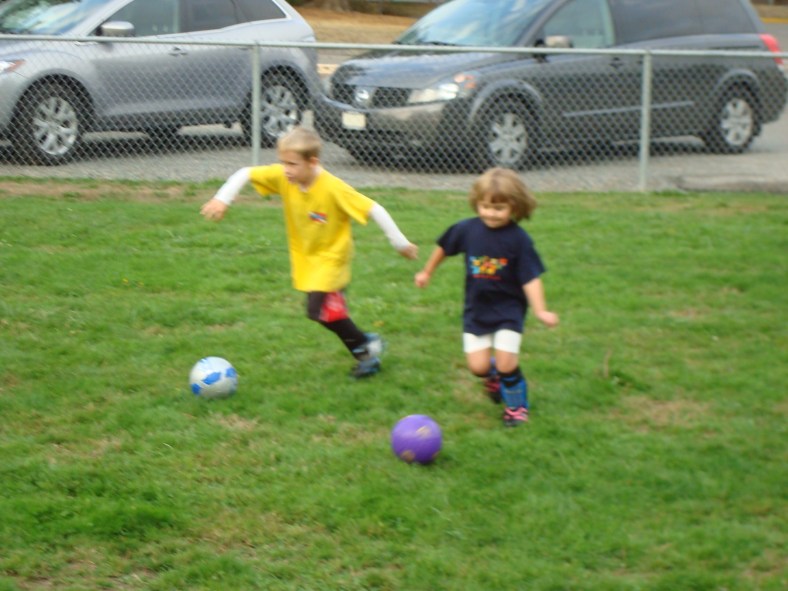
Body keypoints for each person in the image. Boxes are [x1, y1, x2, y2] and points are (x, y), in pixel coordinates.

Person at [201, 127, 418, 378]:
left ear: (312, 162)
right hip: (308, 258)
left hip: (332, 258)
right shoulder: (287, 178)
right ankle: (366, 348)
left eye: (292, 164)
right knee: (326, 313)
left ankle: (367, 346)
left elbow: (374, 209)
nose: (286, 170)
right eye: (283, 162)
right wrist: (222, 199)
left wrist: (399, 243)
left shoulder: (333, 188)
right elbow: (246, 173)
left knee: (317, 311)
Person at [414, 168, 558, 426]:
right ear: (476, 203)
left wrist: (541, 310)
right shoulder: (467, 230)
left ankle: (516, 407)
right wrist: (426, 272)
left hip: (509, 311)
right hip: (477, 310)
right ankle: (494, 378)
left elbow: (530, 278)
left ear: (514, 206)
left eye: (499, 208)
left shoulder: (519, 240)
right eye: (485, 206)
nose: (490, 214)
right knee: (478, 367)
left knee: (506, 364)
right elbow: (444, 247)